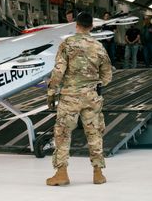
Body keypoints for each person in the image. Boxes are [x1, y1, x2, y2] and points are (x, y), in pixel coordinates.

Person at [46, 12, 112, 186]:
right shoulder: (98, 46)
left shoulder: (67, 44)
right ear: (91, 27)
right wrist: (96, 84)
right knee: (94, 132)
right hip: (92, 97)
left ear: (76, 25)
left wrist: (51, 92)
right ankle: (98, 174)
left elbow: (59, 71)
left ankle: (61, 173)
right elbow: (107, 74)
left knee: (63, 133)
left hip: (70, 97)